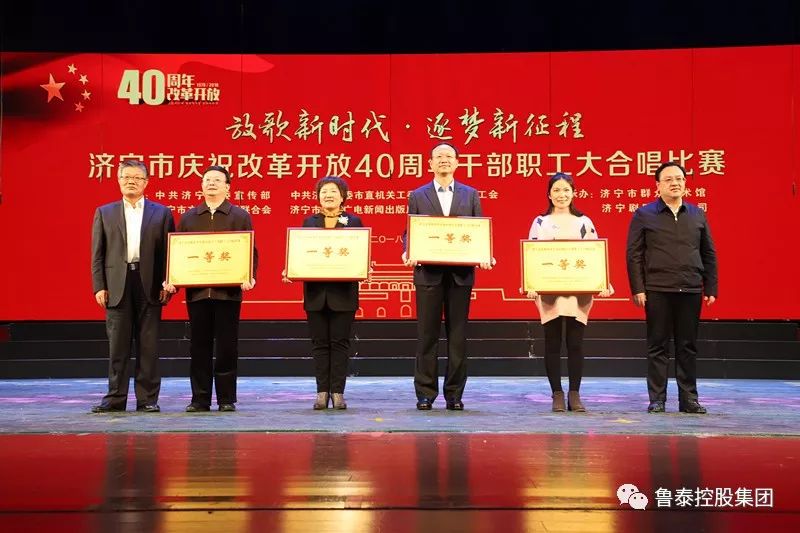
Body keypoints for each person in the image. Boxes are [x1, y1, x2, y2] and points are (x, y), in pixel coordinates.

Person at [402, 142, 494, 411]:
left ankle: (454, 394)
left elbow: (478, 230)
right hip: (428, 274)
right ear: (430, 163)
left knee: (457, 337)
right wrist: (408, 250)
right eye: (438, 156)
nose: (444, 160)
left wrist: (486, 254)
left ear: (457, 162)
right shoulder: (418, 195)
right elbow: (409, 230)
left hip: (460, 275)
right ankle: (425, 393)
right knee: (426, 336)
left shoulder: (470, 194)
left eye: (449, 156)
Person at [626, 161, 718, 414]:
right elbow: (634, 255)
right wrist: (638, 288)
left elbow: (708, 252)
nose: (675, 183)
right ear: (657, 186)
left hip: (690, 288)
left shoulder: (697, 214)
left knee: (687, 346)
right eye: (668, 179)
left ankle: (689, 399)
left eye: (679, 178)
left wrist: (710, 286)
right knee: (658, 345)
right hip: (657, 288)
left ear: (685, 183)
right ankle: (657, 399)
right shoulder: (644, 214)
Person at [165, 165, 258, 413]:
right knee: (199, 346)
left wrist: (249, 276)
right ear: (201, 185)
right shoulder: (189, 217)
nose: (212, 183)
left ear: (228, 186)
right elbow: (179, 253)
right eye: (207, 180)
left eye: (217, 180)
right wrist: (172, 277)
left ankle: (226, 398)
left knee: (227, 346)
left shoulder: (239, 216)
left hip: (228, 293)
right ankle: (200, 398)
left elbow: (250, 252)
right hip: (197, 294)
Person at [91, 160, 175, 413]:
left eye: (137, 178)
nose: (131, 181)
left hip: (150, 283)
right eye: (126, 177)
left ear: (146, 182)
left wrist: (168, 282)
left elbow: (169, 253)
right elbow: (97, 254)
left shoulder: (161, 213)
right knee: (118, 346)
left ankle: (147, 399)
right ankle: (115, 398)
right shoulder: (104, 212)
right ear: (118, 180)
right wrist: (99, 286)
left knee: (148, 346)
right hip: (117, 284)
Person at [525, 173, 613, 413]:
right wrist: (530, 283)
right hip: (549, 290)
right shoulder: (540, 222)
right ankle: (557, 393)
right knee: (552, 342)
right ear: (549, 194)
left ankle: (575, 393)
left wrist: (603, 281)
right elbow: (531, 255)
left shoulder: (584, 221)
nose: (561, 195)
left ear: (574, 193)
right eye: (556, 190)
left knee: (575, 343)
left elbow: (595, 254)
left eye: (566, 190)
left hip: (578, 291)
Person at [284, 176, 363, 410]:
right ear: (318, 197)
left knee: (340, 343)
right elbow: (302, 254)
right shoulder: (309, 222)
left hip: (343, 294)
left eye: (333, 191)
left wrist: (363, 265)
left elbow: (359, 252)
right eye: (324, 191)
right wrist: (292, 269)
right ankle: (321, 392)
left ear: (342, 196)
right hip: (316, 294)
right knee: (319, 344)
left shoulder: (353, 221)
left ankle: (337, 392)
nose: (328, 195)